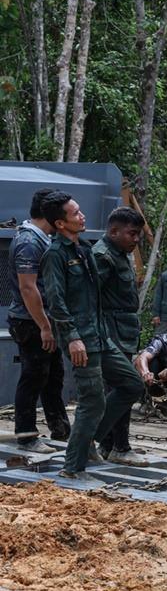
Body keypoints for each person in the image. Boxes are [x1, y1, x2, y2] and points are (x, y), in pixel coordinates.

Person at [39, 191, 144, 482]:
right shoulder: (55, 255)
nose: (82, 216)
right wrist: (71, 337)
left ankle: (87, 441)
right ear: (61, 224)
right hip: (81, 340)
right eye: (75, 214)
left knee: (132, 384)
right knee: (92, 401)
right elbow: (56, 302)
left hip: (100, 336)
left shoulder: (83, 249)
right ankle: (73, 467)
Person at [7, 188, 71, 452]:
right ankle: (26, 435)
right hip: (30, 321)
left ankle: (60, 431)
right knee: (34, 376)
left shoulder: (42, 238)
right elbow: (28, 289)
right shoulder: (29, 243)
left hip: (45, 320)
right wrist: (44, 326)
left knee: (53, 376)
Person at [91, 207, 150, 465]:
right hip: (111, 329)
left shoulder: (119, 253)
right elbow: (91, 298)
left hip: (123, 328)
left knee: (117, 389)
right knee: (124, 387)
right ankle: (120, 447)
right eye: (132, 234)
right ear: (114, 231)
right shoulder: (103, 257)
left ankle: (107, 445)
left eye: (138, 234)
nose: (136, 239)